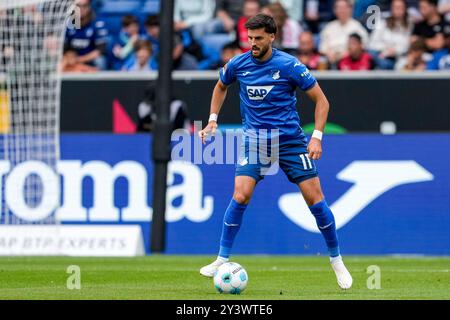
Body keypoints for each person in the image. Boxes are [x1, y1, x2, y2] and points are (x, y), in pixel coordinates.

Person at [198, 13, 353, 290]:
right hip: (256, 141)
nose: (253, 43)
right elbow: (221, 86)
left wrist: (316, 137)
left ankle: (336, 260)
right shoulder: (238, 64)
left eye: (258, 38)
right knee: (240, 194)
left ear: (272, 36)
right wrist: (212, 119)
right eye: (250, 38)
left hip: (291, 142)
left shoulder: (289, 65)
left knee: (314, 199)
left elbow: (322, 101)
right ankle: (221, 258)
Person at [319, 0, 369, 67]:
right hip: (330, 60)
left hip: (349, 61)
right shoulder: (329, 27)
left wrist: (344, 55)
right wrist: (329, 54)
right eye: (339, 8)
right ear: (334, 10)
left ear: (350, 9)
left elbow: (363, 46)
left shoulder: (357, 27)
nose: (341, 11)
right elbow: (322, 47)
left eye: (344, 8)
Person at [368, 0, 413, 69]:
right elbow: (372, 44)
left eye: (400, 8)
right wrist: (385, 50)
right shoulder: (382, 23)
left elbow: (407, 45)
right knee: (371, 54)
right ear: (391, 8)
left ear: (405, 9)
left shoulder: (410, 25)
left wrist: (396, 51)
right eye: (396, 7)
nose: (398, 10)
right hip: (382, 55)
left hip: (400, 57)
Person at [65, 0, 109, 70]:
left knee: (100, 61)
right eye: (78, 6)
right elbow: (65, 48)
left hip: (90, 59)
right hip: (73, 58)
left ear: (89, 7)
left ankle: (100, 80)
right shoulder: (68, 23)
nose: (81, 9)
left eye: (84, 6)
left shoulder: (97, 23)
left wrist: (80, 60)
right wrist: (70, 57)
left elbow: (100, 50)